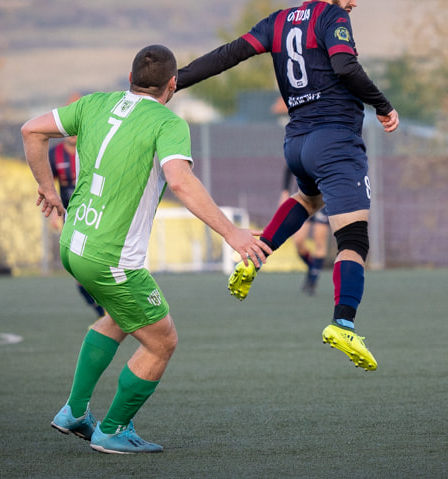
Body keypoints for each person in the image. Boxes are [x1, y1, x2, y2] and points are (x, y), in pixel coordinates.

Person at [21, 44, 270, 454]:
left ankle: (74, 411)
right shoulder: (166, 122)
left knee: (119, 319)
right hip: (109, 258)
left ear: (130, 78)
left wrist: (48, 190)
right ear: (172, 84)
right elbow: (181, 182)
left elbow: (31, 129)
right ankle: (113, 430)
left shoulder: (93, 104)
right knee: (162, 340)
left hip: (73, 243)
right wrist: (232, 233)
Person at [177, 0, 399, 371]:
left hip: (297, 142)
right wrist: (383, 106)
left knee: (307, 198)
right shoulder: (330, 17)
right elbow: (345, 67)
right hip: (334, 139)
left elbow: (227, 56)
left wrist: (175, 80)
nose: (354, 1)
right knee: (354, 240)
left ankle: (253, 258)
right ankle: (343, 323)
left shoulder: (277, 22)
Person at [48, 93, 105, 318]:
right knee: (79, 272)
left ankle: (110, 315)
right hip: (70, 217)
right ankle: (104, 315)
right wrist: (53, 214)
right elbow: (48, 184)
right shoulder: (55, 154)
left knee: (97, 265)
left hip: (95, 214)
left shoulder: (93, 147)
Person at [280, 166, 330, 296]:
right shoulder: (301, 148)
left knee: (319, 238)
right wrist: (285, 191)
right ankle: (313, 268)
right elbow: (289, 166)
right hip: (306, 197)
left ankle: (312, 280)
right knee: (299, 242)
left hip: (325, 199)